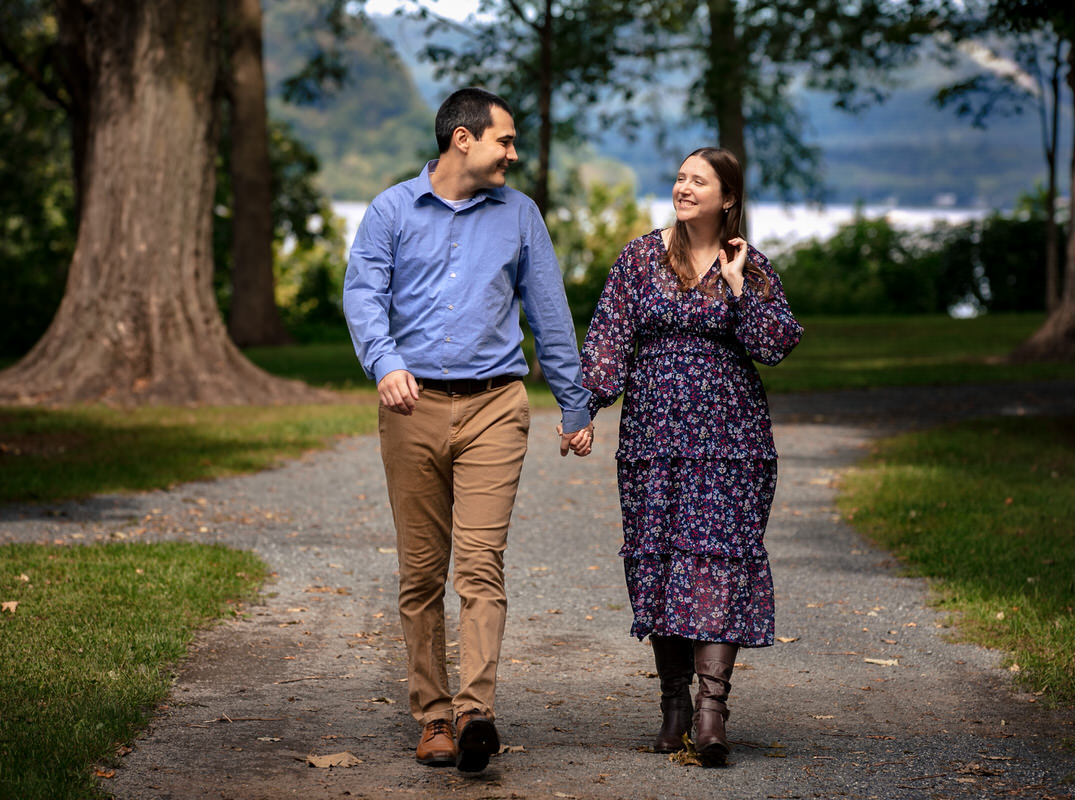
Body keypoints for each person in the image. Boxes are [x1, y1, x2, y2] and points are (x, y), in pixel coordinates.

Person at [343, 87, 594, 773]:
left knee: (481, 565)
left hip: (495, 408)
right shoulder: (392, 210)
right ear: (463, 138)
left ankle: (475, 709)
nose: (513, 153)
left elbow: (549, 312)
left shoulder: (519, 215)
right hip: (411, 408)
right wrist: (385, 362)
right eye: (504, 141)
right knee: (421, 572)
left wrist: (575, 407)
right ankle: (432, 718)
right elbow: (362, 293)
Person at [579, 147, 802, 766]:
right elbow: (607, 336)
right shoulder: (641, 258)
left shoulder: (747, 264)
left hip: (731, 443)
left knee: (716, 561)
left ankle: (711, 716)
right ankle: (674, 706)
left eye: (697, 180)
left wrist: (737, 289)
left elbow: (775, 344)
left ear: (727, 198)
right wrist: (585, 410)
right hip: (652, 439)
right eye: (679, 177)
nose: (683, 187)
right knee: (661, 561)